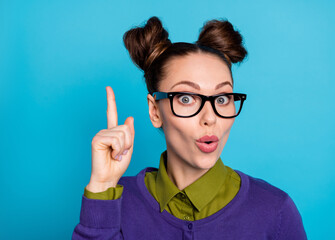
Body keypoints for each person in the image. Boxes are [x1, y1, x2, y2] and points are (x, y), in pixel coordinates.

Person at [72, 16, 307, 239]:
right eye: (186, 98)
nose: (210, 118)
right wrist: (102, 187)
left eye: (222, 98)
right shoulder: (113, 201)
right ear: (155, 111)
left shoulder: (275, 211)